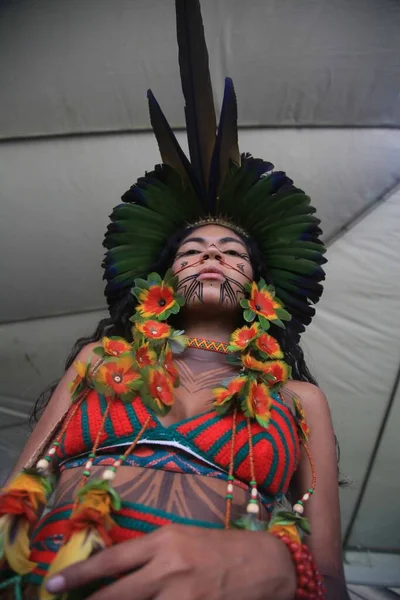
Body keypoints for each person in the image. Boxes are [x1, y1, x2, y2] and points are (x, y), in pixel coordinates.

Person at [0, 1, 350, 598]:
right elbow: (15, 495)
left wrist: (286, 566)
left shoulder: (298, 399)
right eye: (192, 251)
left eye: (232, 253)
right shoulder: (99, 364)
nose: (211, 255)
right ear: (159, 282)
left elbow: (332, 577)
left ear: (261, 294)